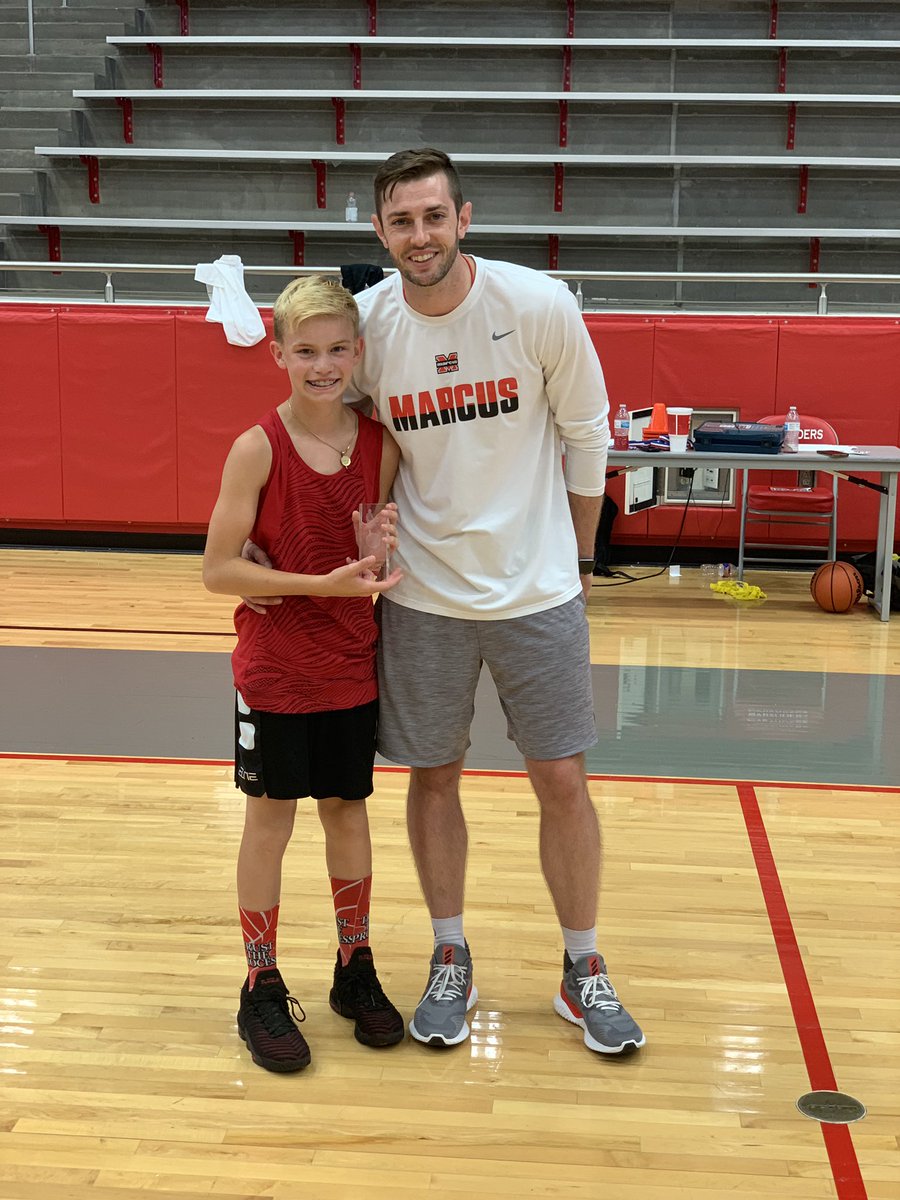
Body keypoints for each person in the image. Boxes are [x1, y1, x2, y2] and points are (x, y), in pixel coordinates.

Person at [249, 149, 645, 1056]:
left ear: (463, 217)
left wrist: (580, 558)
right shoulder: (371, 326)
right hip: (423, 596)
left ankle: (582, 968)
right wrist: (269, 540)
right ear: (381, 232)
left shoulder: (539, 305)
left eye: (433, 216)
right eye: (400, 221)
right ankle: (449, 952)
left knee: (562, 779)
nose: (418, 235)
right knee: (434, 777)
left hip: (537, 588)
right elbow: (322, 427)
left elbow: (588, 434)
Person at [203, 274, 405, 1073]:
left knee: (348, 813)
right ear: (280, 353)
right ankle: (259, 980)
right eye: (307, 351)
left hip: (351, 667)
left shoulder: (381, 442)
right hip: (277, 671)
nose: (323, 365)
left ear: (358, 353)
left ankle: (353, 967)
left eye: (337, 350)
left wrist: (378, 551)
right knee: (271, 820)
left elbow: (375, 554)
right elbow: (219, 571)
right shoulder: (257, 447)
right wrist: (312, 583)